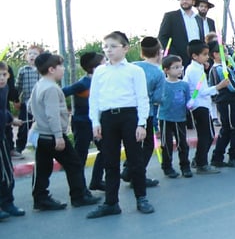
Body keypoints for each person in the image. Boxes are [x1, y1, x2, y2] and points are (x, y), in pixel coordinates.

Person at [88, 32, 154, 217]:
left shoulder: (134, 71)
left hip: (129, 117)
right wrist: (95, 122)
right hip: (108, 118)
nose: (108, 50)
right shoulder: (100, 71)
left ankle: (141, 198)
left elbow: (142, 98)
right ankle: (111, 202)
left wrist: (142, 124)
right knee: (110, 161)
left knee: (135, 160)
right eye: (105, 46)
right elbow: (94, 99)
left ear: (125, 48)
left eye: (113, 46)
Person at [29, 52, 99, 211]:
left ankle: (40, 198)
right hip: (53, 135)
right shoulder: (52, 89)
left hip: (41, 134)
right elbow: (52, 115)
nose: (64, 69)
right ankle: (79, 196)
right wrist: (59, 136)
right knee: (73, 164)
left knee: (42, 167)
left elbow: (30, 106)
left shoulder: (40, 84)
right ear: (51, 69)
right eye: (61, 66)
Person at [184, 39, 228, 174]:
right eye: (204, 54)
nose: (207, 57)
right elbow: (201, 91)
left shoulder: (195, 68)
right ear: (194, 56)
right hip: (200, 105)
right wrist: (219, 86)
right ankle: (201, 163)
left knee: (205, 134)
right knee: (207, 135)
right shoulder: (195, 70)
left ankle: (198, 160)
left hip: (200, 105)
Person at [62, 52, 103, 191]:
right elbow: (62, 92)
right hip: (82, 123)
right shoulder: (83, 83)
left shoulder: (102, 80)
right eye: (104, 62)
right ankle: (80, 189)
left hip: (97, 123)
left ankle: (96, 181)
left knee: (105, 151)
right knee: (80, 156)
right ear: (95, 67)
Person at [131, 37, 166, 187]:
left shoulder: (133, 66)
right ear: (158, 52)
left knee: (133, 144)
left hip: (129, 111)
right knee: (147, 146)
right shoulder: (158, 74)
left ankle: (130, 170)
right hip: (147, 112)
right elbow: (158, 98)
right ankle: (137, 175)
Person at [158, 55, 191, 178]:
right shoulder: (162, 84)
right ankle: (167, 167)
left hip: (180, 117)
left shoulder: (184, 85)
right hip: (165, 117)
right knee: (166, 144)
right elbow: (156, 99)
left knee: (182, 143)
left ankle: (185, 166)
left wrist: (190, 104)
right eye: (175, 67)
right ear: (166, 70)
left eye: (180, 67)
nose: (179, 70)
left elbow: (188, 100)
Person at [157, 0, 205, 65]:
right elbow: (162, 37)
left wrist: (203, 58)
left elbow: (202, 40)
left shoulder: (198, 19)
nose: (184, 1)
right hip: (178, 61)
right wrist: (174, 56)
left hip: (197, 61)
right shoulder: (171, 16)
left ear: (193, 1)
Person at [14, 45, 42, 154]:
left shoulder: (42, 70)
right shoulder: (23, 70)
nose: (32, 56)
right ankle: (19, 147)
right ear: (26, 56)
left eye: (35, 54)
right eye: (30, 53)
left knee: (41, 124)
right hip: (26, 102)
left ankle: (40, 147)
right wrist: (16, 100)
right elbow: (18, 86)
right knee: (24, 125)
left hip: (40, 103)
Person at [0, 63, 19, 219]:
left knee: (6, 172)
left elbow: (3, 110)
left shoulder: (4, 89)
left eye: (4, 74)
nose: (1, 78)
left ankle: (7, 203)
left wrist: (11, 118)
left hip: (2, 137)